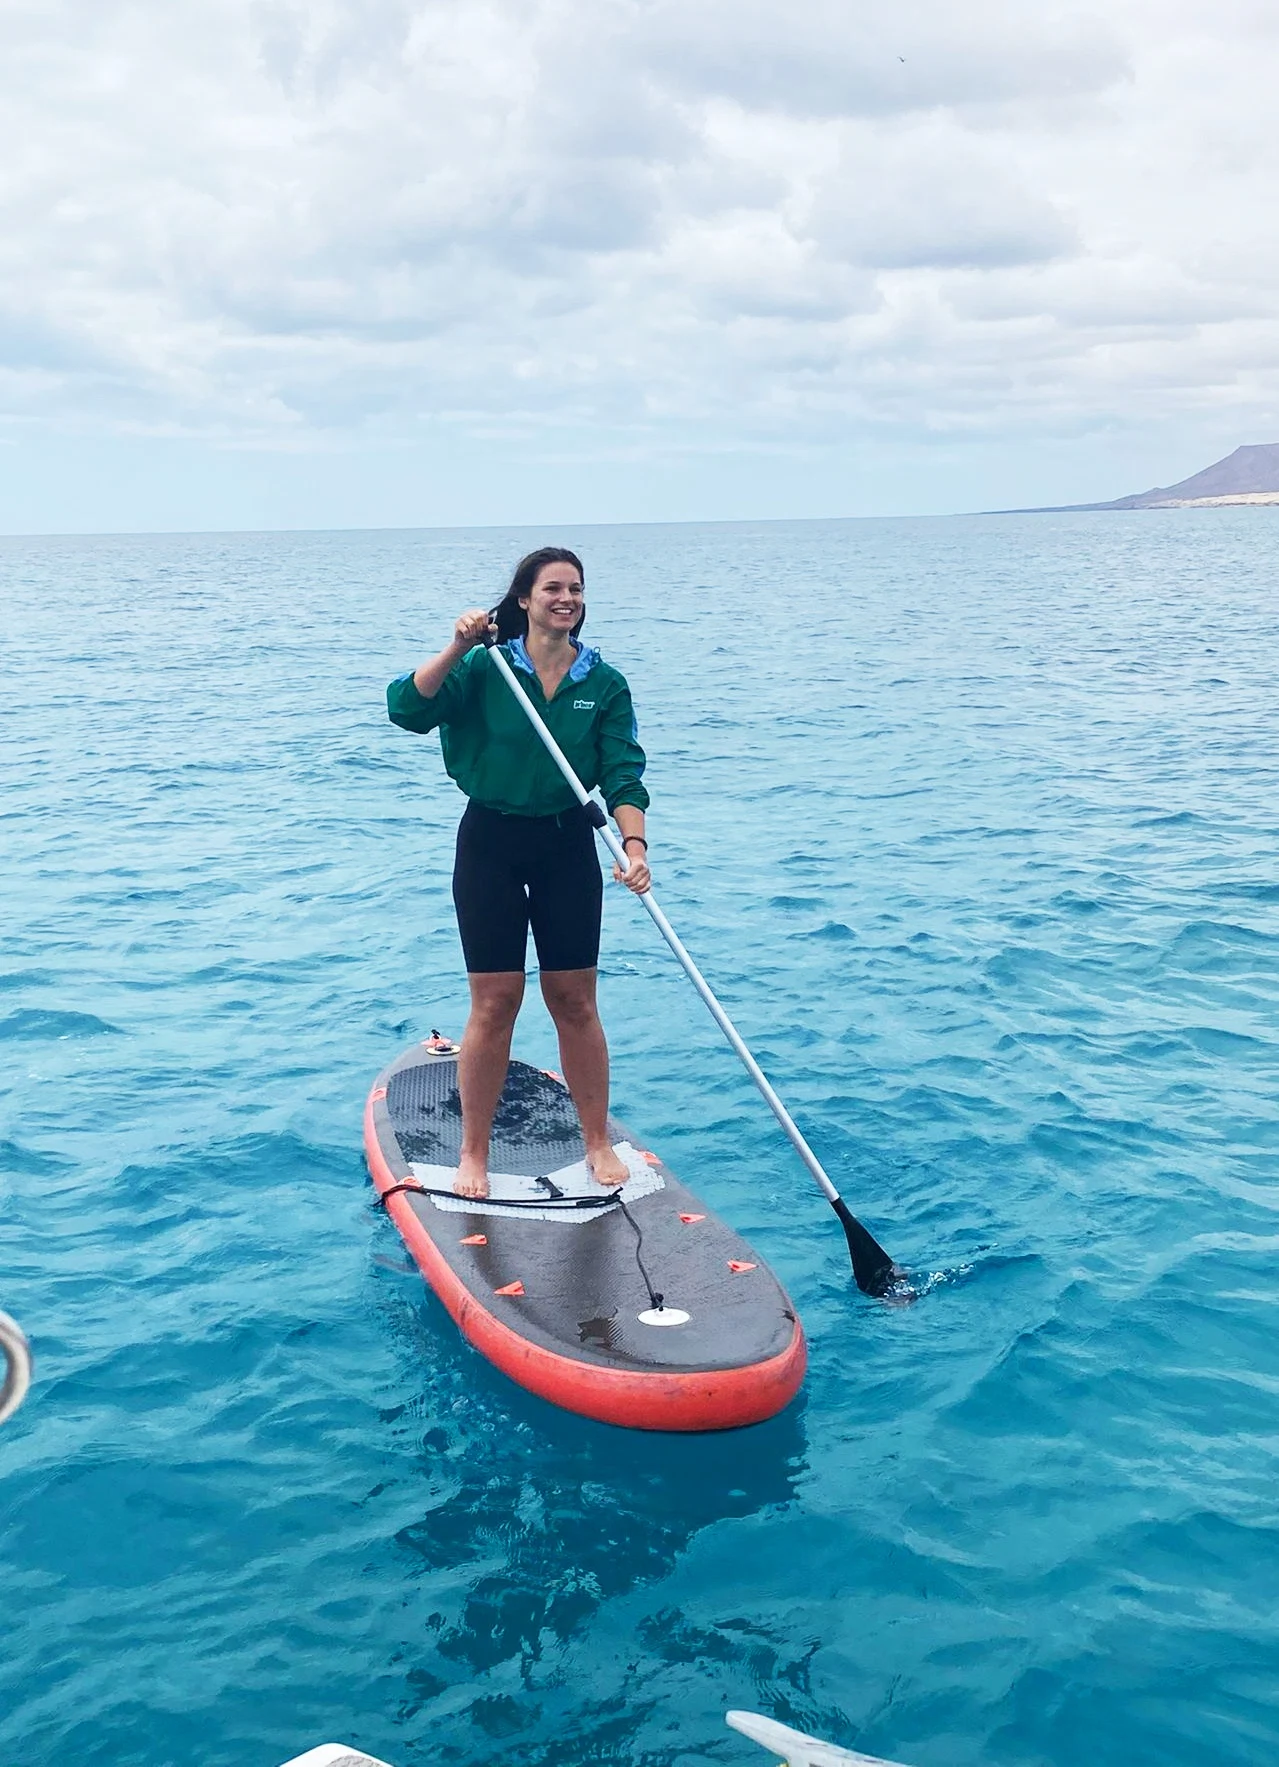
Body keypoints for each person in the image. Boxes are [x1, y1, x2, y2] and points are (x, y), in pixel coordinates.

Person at [386, 547, 651, 1200]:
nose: (566, 598)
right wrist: (457, 645)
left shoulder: (603, 683)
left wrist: (634, 845)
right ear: (525, 599)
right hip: (490, 842)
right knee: (496, 1001)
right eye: (552, 588)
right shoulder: (487, 667)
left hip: (566, 845)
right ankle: (473, 1152)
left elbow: (623, 773)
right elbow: (407, 709)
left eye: (575, 589)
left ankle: (596, 1141)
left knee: (574, 1000)